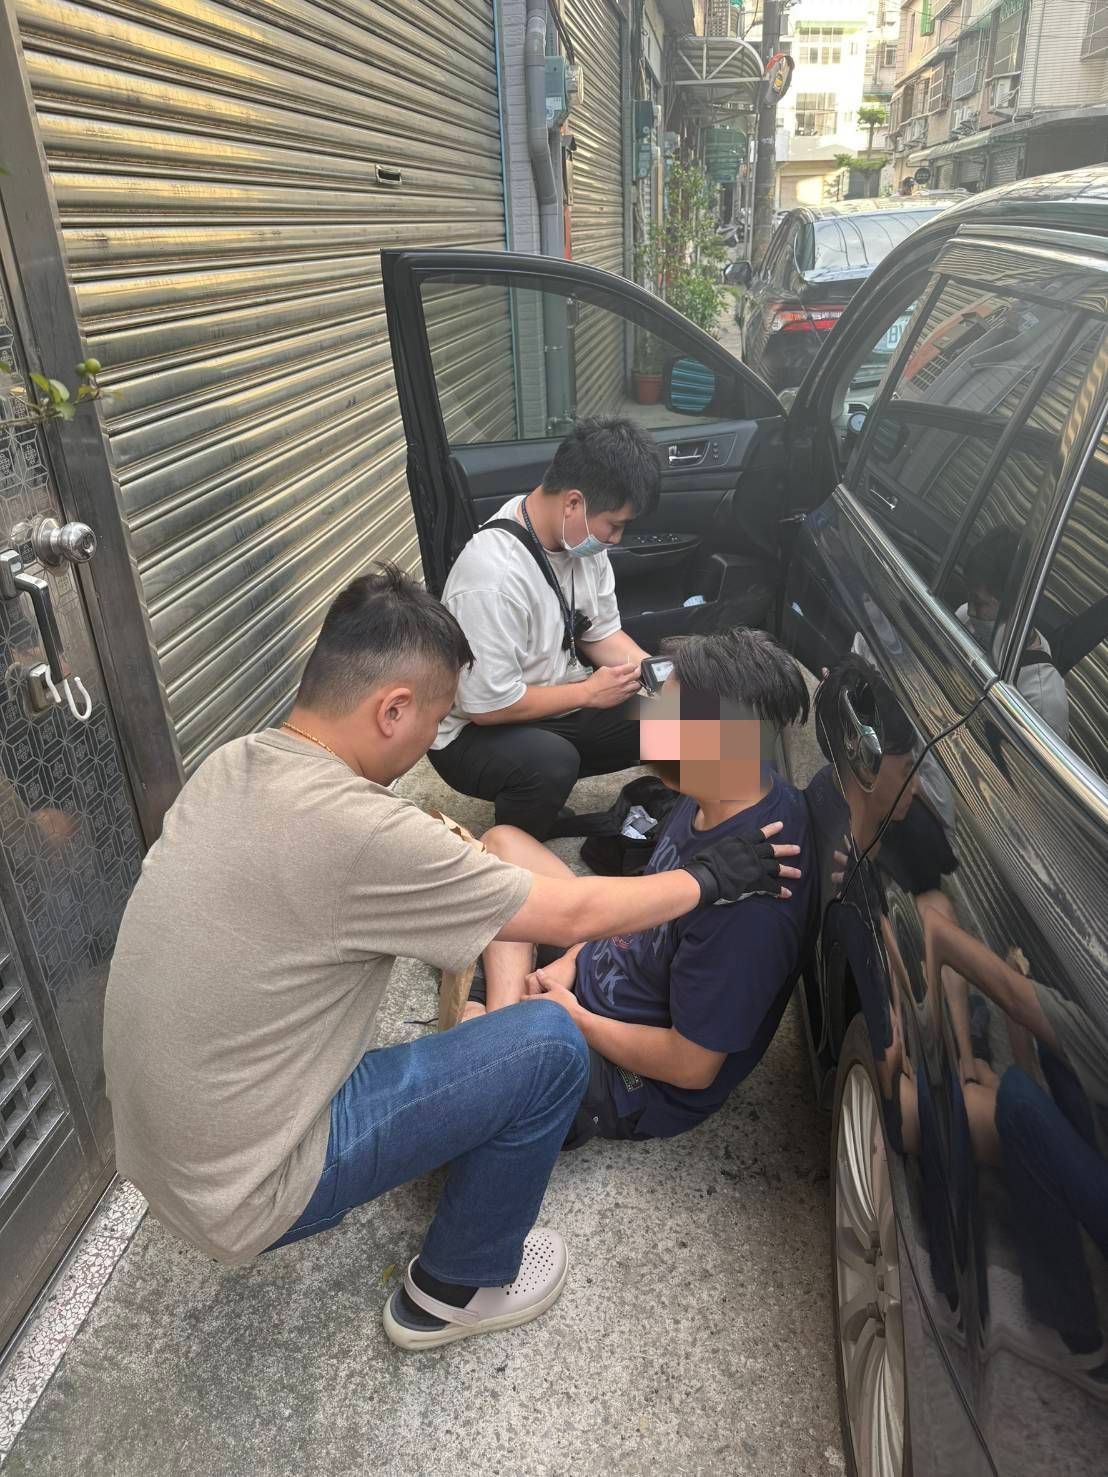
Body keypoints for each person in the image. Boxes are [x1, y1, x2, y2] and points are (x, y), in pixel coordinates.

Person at [103, 567, 801, 1352]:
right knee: (548, 1044)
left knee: (507, 915)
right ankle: (454, 1288)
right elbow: (572, 913)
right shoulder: (363, 831)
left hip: (160, 1150)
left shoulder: (235, 761)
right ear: (392, 709)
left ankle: (489, 1052)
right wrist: (706, 880)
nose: (432, 745)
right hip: (246, 1185)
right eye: (437, 721)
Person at [470, 627, 815, 1147]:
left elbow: (691, 1067)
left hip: (627, 1076)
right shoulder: (726, 783)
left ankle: (492, 1039)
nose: (647, 725)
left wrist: (573, 1017)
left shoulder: (753, 907)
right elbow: (648, 899)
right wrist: (573, 960)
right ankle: (500, 1030)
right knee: (502, 846)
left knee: (479, 1097)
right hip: (603, 967)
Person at [427, 417, 659, 840]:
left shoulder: (581, 541)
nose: (616, 538)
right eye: (615, 524)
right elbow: (487, 707)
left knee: (674, 718)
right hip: (472, 733)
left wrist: (661, 676)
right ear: (573, 503)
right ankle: (516, 844)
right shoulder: (492, 577)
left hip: (549, 702)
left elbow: (601, 633)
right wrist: (589, 693)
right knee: (551, 762)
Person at [955, 524, 1069, 738]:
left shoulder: (1043, 701)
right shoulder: (966, 619)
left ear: (1014, 605)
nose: (970, 610)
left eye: (980, 603)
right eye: (969, 596)